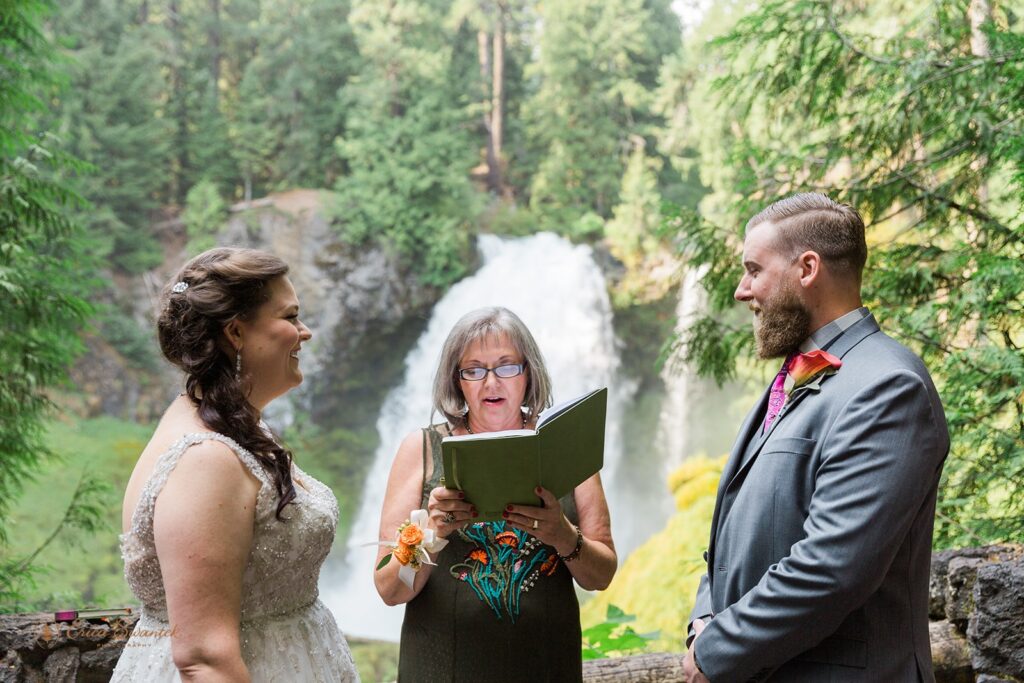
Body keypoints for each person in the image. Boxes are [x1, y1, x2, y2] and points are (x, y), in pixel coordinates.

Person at [683, 194, 949, 682]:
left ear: (808, 268)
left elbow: (831, 568)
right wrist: (704, 621)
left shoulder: (888, 386)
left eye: (753, 270)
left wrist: (715, 650)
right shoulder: (794, 374)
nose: (743, 290)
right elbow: (732, 534)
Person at [112, 248, 358, 682]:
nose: (306, 332)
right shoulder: (205, 461)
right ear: (236, 332)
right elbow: (204, 659)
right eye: (291, 317)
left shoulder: (232, 426)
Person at [375, 306, 617, 682]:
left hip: (545, 665)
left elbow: (601, 575)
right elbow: (390, 590)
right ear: (457, 380)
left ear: (528, 372)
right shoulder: (420, 449)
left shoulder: (566, 445)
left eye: (506, 366)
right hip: (442, 667)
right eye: (473, 370)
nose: (491, 382)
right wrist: (432, 534)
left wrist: (563, 535)